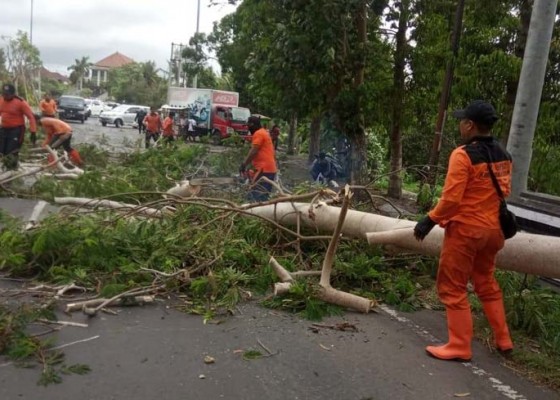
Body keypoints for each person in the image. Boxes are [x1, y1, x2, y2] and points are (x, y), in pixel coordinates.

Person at [413, 100, 514, 362]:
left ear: (469, 125)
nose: (460, 124)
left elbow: (451, 201)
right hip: (494, 232)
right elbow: (503, 192)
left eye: (462, 120)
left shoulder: (462, 155)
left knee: (452, 286)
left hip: (467, 231)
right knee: (486, 283)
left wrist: (429, 220)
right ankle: (504, 340)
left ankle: (459, 346)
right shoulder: (504, 155)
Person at [239, 116, 277, 202]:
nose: (248, 128)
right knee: (261, 196)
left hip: (264, 170)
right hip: (268, 169)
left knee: (256, 198)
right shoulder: (263, 132)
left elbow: (254, 151)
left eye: (248, 126)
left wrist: (244, 164)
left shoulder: (259, 133)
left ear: (252, 125)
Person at [0, 83, 37, 170]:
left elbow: (31, 117)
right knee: (2, 150)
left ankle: (12, 170)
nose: (5, 96)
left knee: (11, 151)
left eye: (7, 94)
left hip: (16, 130)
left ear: (13, 94)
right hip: (4, 129)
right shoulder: (1, 100)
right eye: (4, 93)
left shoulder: (21, 103)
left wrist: (33, 132)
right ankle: (6, 168)